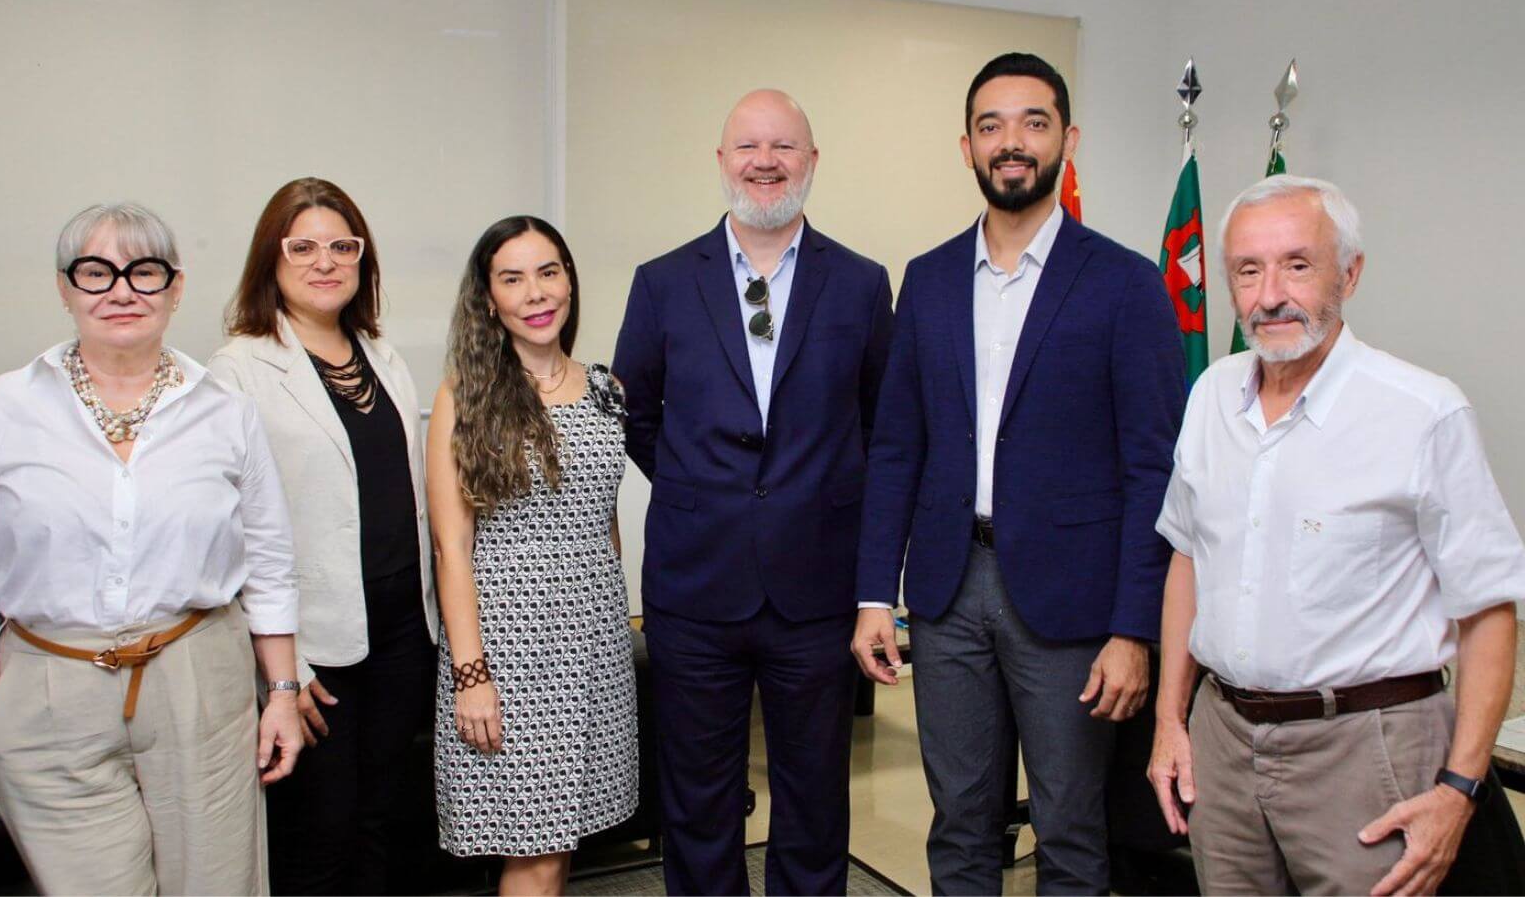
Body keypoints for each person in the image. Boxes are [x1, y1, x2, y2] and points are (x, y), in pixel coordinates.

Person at [852, 53, 1186, 894]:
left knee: (1071, 830)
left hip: (1073, 606)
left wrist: (1133, 628)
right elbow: (897, 449)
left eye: (1033, 123)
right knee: (959, 821)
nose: (1012, 143)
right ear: (965, 145)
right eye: (992, 126)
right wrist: (871, 597)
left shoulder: (1126, 284)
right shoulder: (926, 281)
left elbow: (1155, 471)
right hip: (946, 589)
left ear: (1067, 139)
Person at [1147, 175, 1524, 896]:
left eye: (1298, 264)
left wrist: (1459, 790)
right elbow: (1188, 559)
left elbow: (1488, 611)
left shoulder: (1423, 412)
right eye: (1248, 270)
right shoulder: (1210, 397)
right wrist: (1171, 719)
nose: (1270, 294)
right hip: (1222, 738)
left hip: (1367, 747)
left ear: (1348, 273)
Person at [0, 202, 304, 895]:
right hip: (49, 682)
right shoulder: (1, 407)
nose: (122, 290)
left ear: (176, 286)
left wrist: (281, 692)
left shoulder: (225, 411)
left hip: (200, 680)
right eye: (96, 273)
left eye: (145, 271)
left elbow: (271, 564)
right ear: (65, 288)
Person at [613, 89, 895, 896]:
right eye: (747, 147)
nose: (765, 162)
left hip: (817, 593)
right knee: (698, 802)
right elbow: (636, 413)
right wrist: (708, 493)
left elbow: (883, 428)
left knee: (814, 801)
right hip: (694, 591)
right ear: (721, 161)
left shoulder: (861, 284)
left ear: (811, 160)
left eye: (783, 146)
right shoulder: (664, 282)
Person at [208, 177, 437, 895]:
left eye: (343, 245)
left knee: (385, 821)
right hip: (314, 645)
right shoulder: (238, 367)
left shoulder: (383, 354)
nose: (325, 260)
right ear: (269, 261)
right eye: (302, 246)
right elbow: (230, 530)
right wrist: (285, 666)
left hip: (402, 629)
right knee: (320, 832)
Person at [427, 215, 637, 896]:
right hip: (511, 656)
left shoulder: (608, 390)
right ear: (489, 300)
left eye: (548, 271)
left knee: (563, 839)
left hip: (595, 647)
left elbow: (603, 522)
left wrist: (621, 623)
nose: (535, 292)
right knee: (534, 852)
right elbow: (451, 547)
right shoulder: (465, 399)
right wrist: (470, 674)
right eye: (512, 279)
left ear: (569, 279)